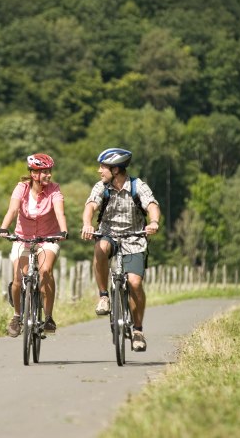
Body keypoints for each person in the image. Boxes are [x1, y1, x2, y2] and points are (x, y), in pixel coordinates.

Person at [80, 148, 160, 352]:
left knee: (134, 283)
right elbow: (90, 205)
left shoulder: (137, 186)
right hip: (109, 234)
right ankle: (104, 296)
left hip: (134, 238)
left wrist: (154, 222)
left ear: (116, 170)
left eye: (103, 167)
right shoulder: (102, 187)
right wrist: (87, 223)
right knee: (100, 247)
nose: (99, 171)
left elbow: (151, 204)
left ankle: (138, 331)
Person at [0, 153, 68, 338]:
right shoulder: (21, 188)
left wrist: (63, 231)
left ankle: (49, 316)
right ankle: (17, 316)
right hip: (23, 238)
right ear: (34, 174)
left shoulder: (54, 189)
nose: (49, 175)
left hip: (48, 238)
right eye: (44, 172)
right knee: (18, 278)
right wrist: (4, 228)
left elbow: (60, 212)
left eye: (50, 171)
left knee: (45, 271)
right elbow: (12, 210)